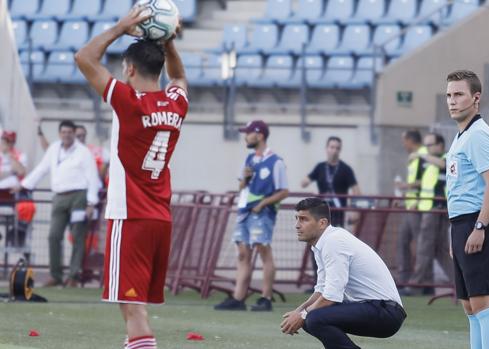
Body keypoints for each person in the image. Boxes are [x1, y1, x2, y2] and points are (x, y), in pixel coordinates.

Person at [75, 6, 188, 349]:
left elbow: (84, 57)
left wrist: (121, 27)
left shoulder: (129, 102)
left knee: (133, 310)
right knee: (135, 310)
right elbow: (179, 78)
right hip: (159, 218)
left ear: (130, 68)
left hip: (130, 216)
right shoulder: (175, 104)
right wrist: (168, 44)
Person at [281, 198, 406, 349]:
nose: (297, 225)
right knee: (309, 319)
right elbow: (321, 290)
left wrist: (302, 315)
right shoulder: (322, 243)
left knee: (313, 318)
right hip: (374, 308)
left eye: (303, 219)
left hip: (386, 312)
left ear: (322, 223)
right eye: (297, 219)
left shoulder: (334, 242)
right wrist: (299, 311)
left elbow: (331, 297)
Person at [445, 70, 489, 349]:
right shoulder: (461, 136)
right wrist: (454, 234)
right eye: (449, 95)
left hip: (477, 223)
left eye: (458, 94)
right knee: (469, 305)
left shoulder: (479, 134)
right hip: (461, 225)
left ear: (476, 97)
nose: (452, 101)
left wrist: (479, 227)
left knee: (482, 300)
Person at [214, 120, 289, 312]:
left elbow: (284, 191)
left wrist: (263, 203)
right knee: (242, 254)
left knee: (264, 252)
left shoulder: (276, 161)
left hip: (262, 213)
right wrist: (245, 179)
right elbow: (241, 187)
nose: (245, 137)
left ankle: (266, 298)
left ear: (259, 135)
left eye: (248, 133)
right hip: (244, 211)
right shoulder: (248, 159)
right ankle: (238, 298)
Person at [16, 120, 100, 287]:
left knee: (77, 237)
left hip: (79, 197)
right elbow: (42, 168)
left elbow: (92, 177)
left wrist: (91, 202)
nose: (66, 135)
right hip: (59, 196)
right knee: (53, 235)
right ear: (59, 133)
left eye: (69, 132)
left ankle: (74, 276)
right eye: (63, 132)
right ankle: (56, 275)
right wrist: (24, 184)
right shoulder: (54, 149)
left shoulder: (83, 152)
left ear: (74, 133)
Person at [409, 133, 454, 293]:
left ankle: (415, 285)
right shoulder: (428, 162)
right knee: (440, 251)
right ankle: (460, 283)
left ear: (440, 145)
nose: (427, 149)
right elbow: (425, 184)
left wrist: (422, 155)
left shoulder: (449, 156)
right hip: (430, 209)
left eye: (430, 145)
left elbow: (443, 165)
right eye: (426, 145)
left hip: (437, 210)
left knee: (424, 247)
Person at [301, 136, 361, 227]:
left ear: (340, 150)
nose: (334, 151)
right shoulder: (320, 167)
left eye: (337, 148)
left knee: (336, 238)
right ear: (326, 148)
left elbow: (357, 192)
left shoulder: (346, 169)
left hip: (339, 213)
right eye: (332, 147)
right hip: (321, 212)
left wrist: (354, 211)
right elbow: (304, 183)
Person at [394, 130, 427, 290]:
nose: (403, 144)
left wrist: (405, 187)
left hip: (418, 207)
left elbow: (427, 182)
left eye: (404, 140)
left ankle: (421, 282)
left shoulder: (423, 156)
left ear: (410, 140)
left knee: (421, 246)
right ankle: (404, 279)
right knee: (403, 241)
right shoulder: (415, 156)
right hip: (410, 206)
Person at [0, 131, 34, 249]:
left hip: (14, 193)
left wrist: (9, 155)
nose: (6, 143)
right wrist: (10, 172)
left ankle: (17, 236)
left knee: (28, 207)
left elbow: (21, 171)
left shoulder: (20, 155)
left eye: (9, 141)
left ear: (13, 142)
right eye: (4, 140)